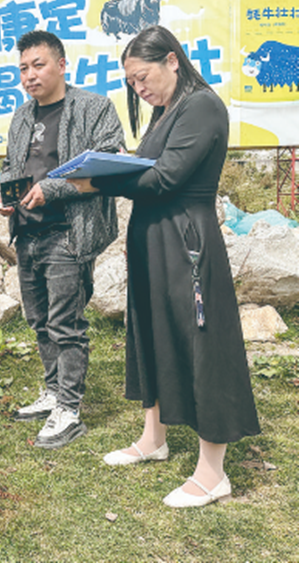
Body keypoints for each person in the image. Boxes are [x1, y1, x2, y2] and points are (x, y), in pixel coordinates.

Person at [69, 25, 260, 507]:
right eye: (131, 82)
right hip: (153, 237)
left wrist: (100, 182)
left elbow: (166, 178)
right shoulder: (165, 111)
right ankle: (153, 438)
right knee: (151, 333)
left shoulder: (202, 105)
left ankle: (213, 471)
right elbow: (147, 170)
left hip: (186, 239)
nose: (139, 88)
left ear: (172, 60)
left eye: (143, 76)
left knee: (201, 342)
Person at [0, 30, 125, 449]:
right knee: (38, 321)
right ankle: (53, 392)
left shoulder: (93, 108)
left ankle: (69, 408)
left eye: (38, 65)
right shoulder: (21, 117)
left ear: (62, 64)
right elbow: (11, 164)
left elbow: (109, 163)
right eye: (23, 69)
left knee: (65, 325)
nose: (29, 75)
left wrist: (50, 190)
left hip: (69, 233)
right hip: (27, 233)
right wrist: (6, 194)